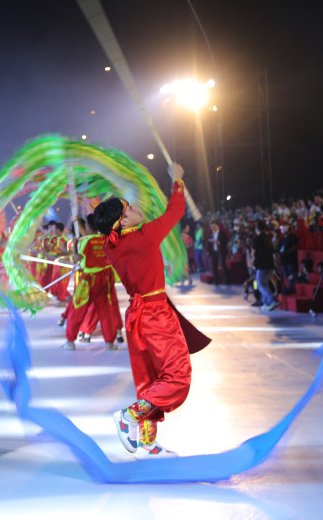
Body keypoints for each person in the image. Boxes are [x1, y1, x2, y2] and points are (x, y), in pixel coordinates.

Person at [92, 163, 210, 459]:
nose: (135, 208)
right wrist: (178, 181)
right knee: (177, 378)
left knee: (150, 380)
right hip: (156, 313)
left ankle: (146, 443)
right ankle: (130, 416)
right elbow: (175, 212)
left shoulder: (111, 246)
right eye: (128, 208)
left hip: (136, 315)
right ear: (121, 222)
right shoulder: (143, 236)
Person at [62, 214, 120, 350]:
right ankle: (110, 343)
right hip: (105, 279)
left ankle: (70, 341)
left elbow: (77, 258)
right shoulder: (105, 239)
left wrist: (75, 245)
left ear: (88, 226)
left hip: (89, 280)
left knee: (78, 309)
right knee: (106, 311)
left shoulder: (86, 241)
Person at [250, 221, 279, 310]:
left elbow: (253, 253)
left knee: (260, 284)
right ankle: (266, 302)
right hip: (270, 263)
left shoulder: (257, 239)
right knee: (265, 283)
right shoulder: (268, 237)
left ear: (257, 229)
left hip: (262, 264)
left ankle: (272, 300)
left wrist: (252, 261)